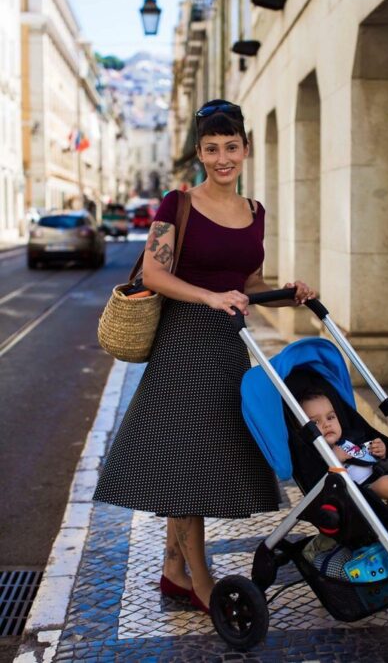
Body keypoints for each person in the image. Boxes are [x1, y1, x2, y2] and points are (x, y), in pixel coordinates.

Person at [93, 99, 317, 614]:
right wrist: (209, 297)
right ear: (200, 153)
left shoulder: (254, 212)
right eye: (212, 149)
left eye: (231, 147)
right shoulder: (178, 204)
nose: (222, 158)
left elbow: (248, 282)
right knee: (187, 462)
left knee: (196, 458)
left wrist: (288, 292)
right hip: (183, 346)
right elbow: (153, 274)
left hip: (227, 348)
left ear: (245, 150)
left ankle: (173, 569)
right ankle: (200, 578)